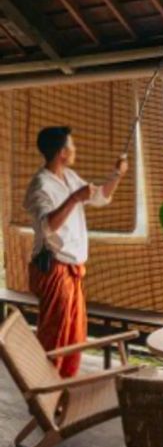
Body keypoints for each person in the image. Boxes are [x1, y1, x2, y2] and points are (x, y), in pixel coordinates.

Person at [24, 125, 128, 378]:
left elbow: (99, 197)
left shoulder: (69, 176)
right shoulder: (40, 185)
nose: (75, 150)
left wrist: (117, 174)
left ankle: (63, 385)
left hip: (72, 271)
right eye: (72, 146)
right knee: (55, 334)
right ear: (61, 152)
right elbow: (48, 225)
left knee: (73, 333)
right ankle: (45, 390)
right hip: (54, 269)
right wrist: (73, 199)